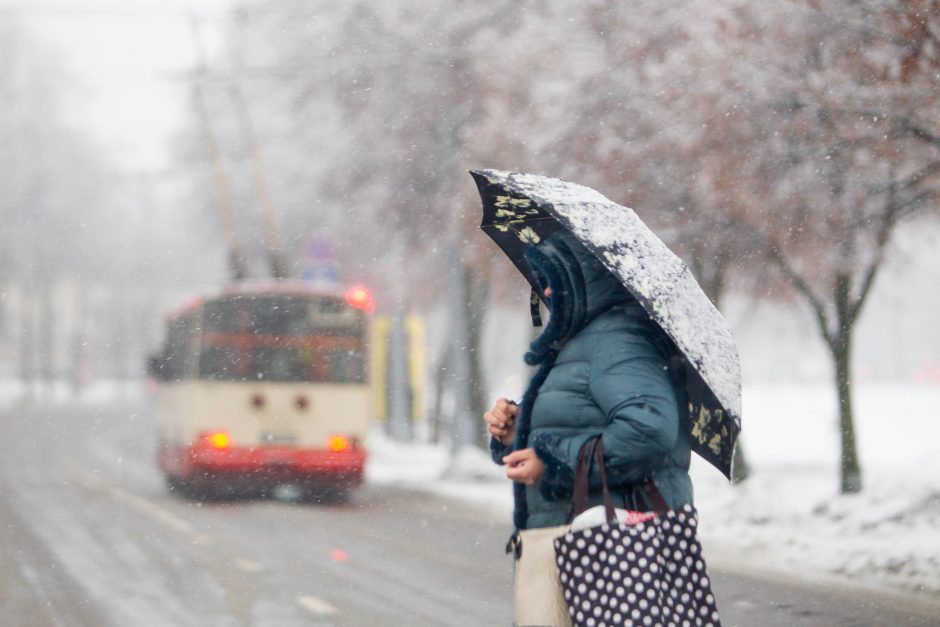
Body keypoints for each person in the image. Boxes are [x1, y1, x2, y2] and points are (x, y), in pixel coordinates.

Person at [484, 230, 693, 531]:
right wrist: (518, 433)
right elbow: (581, 422)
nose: (546, 292)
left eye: (555, 277)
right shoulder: (584, 340)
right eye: (543, 280)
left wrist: (554, 463)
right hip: (583, 547)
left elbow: (648, 430)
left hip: (609, 553)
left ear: (585, 279)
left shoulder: (619, 341)